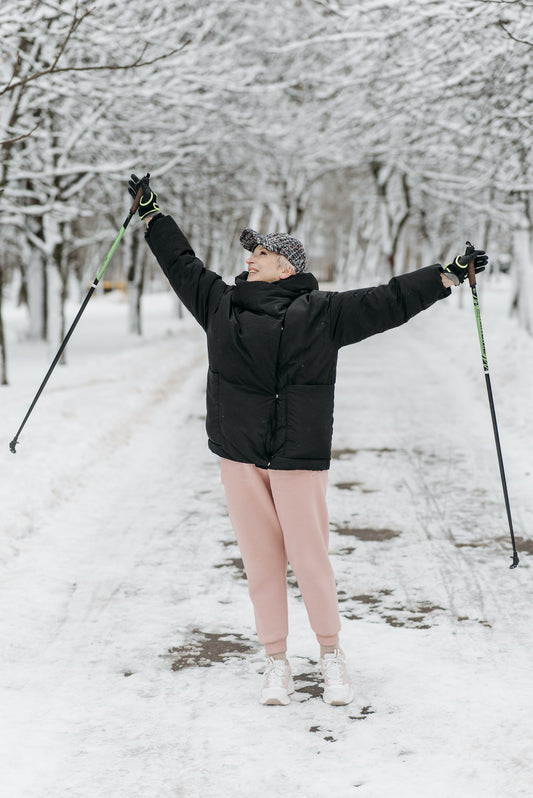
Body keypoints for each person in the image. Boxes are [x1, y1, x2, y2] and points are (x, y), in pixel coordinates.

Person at [128, 173, 487, 706]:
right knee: (260, 562)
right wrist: (154, 216)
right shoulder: (219, 305)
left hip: (298, 456)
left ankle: (331, 654)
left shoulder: (324, 313)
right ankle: (275, 661)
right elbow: (182, 264)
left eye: (263, 253)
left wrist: (446, 276)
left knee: (310, 558)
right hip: (240, 455)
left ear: (288, 266)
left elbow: (389, 300)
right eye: (252, 253)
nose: (251, 259)